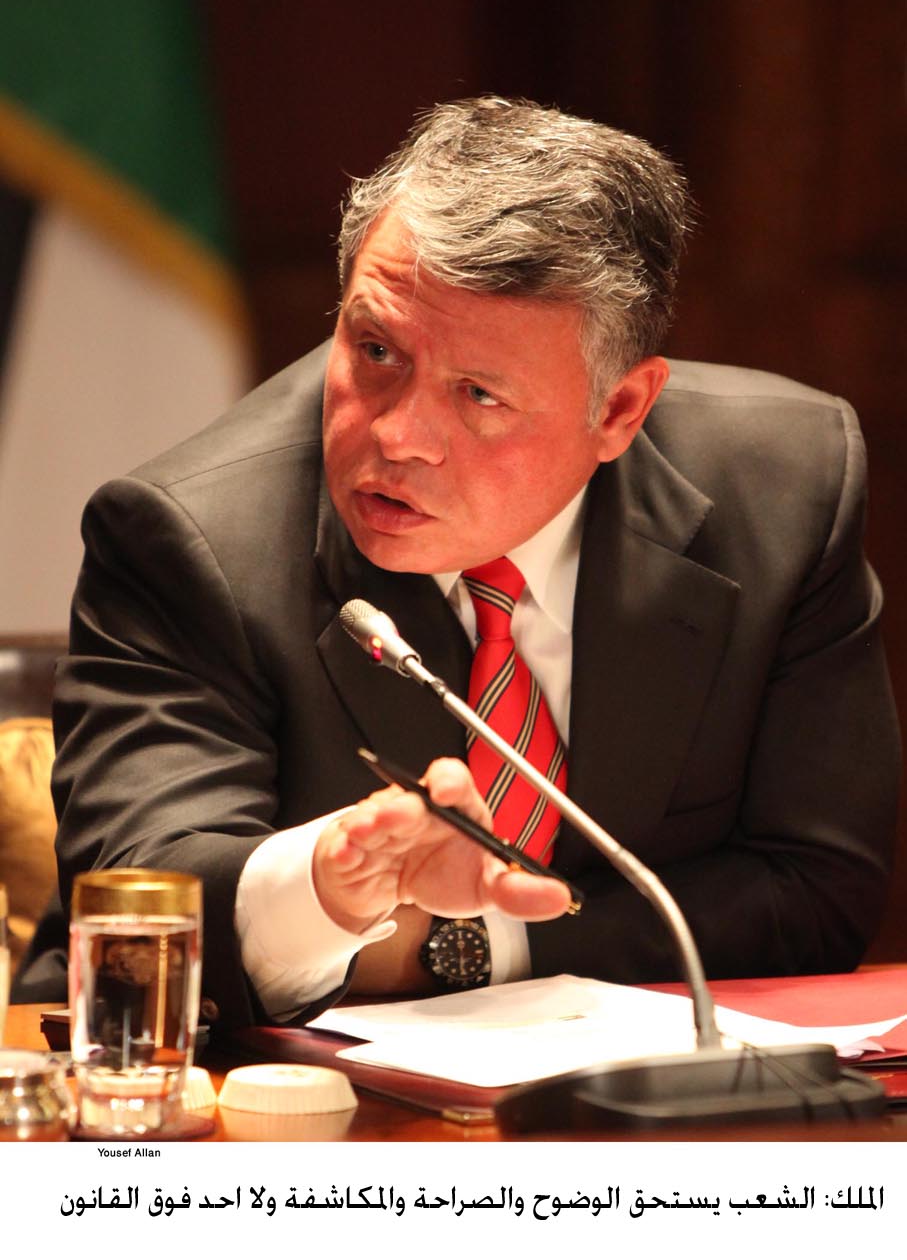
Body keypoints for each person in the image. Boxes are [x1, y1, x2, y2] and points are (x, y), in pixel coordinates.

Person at [28, 97, 899, 1028]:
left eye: (478, 395)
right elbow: (142, 894)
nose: (396, 435)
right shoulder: (189, 537)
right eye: (374, 350)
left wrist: (464, 949)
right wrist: (328, 883)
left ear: (618, 412)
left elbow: (814, 889)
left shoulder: (783, 491)